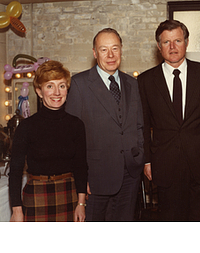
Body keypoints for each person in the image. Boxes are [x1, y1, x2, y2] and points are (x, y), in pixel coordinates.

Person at [137, 19, 200, 221]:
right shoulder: (146, 80)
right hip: (166, 165)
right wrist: (147, 160)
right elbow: (143, 124)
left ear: (187, 42)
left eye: (177, 41)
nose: (173, 47)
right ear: (159, 46)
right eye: (166, 42)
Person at [65, 28, 144, 221]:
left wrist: (139, 156)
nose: (110, 55)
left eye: (115, 49)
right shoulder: (79, 84)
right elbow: (71, 137)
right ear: (94, 53)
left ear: (121, 50)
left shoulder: (131, 83)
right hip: (95, 179)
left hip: (130, 175)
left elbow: (138, 124)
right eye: (104, 50)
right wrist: (81, 180)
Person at [9, 60, 88, 222]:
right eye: (50, 86)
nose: (57, 92)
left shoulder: (76, 125)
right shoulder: (26, 127)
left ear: (67, 89)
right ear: (39, 91)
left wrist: (81, 203)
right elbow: (15, 171)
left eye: (62, 85)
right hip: (36, 195)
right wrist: (16, 210)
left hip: (68, 194)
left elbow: (81, 166)